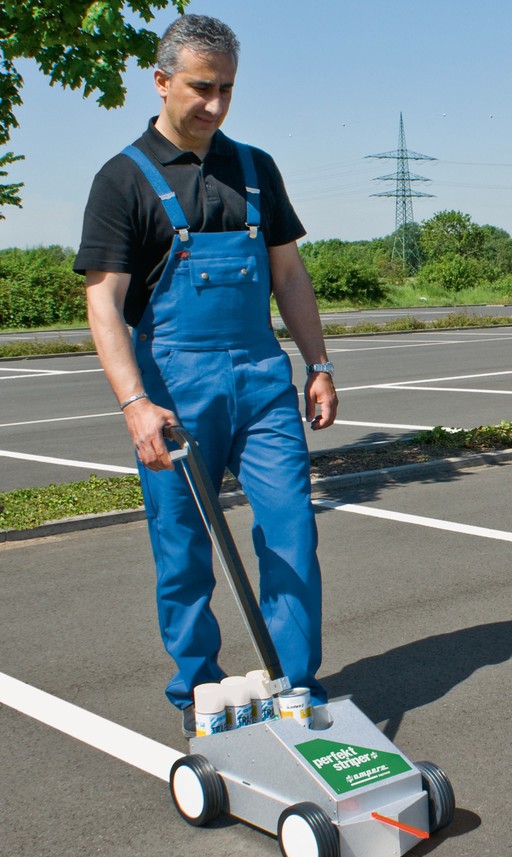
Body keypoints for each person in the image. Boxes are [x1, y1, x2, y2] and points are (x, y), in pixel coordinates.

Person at [74, 14, 336, 736]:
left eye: (226, 89)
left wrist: (318, 365)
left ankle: (295, 687)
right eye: (200, 88)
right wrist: (134, 403)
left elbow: (289, 273)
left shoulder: (255, 168)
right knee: (184, 548)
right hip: (173, 391)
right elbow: (104, 300)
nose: (215, 105)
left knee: (291, 532)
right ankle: (199, 692)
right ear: (161, 81)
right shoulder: (122, 179)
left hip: (261, 379)